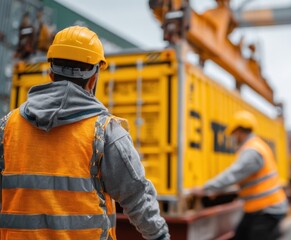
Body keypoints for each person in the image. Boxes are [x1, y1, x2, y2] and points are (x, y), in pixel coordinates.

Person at [0, 26, 169, 240]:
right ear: (93, 78)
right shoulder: (104, 131)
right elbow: (137, 196)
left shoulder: (8, 126)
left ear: (51, 73)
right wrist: (159, 236)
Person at [192, 111, 287, 240]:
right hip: (258, 208)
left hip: (267, 209)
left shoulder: (252, 151)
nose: (233, 137)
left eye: (233, 133)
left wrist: (206, 188)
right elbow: (244, 179)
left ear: (240, 131)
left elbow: (233, 174)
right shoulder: (254, 145)